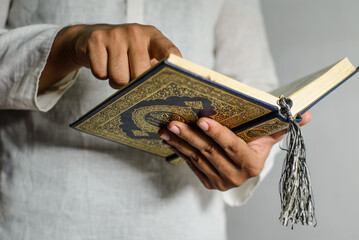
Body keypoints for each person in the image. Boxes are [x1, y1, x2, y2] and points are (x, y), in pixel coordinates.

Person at [0, 0, 311, 239]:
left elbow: (254, 80)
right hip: (41, 219)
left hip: (185, 224)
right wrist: (68, 44)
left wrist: (252, 151)